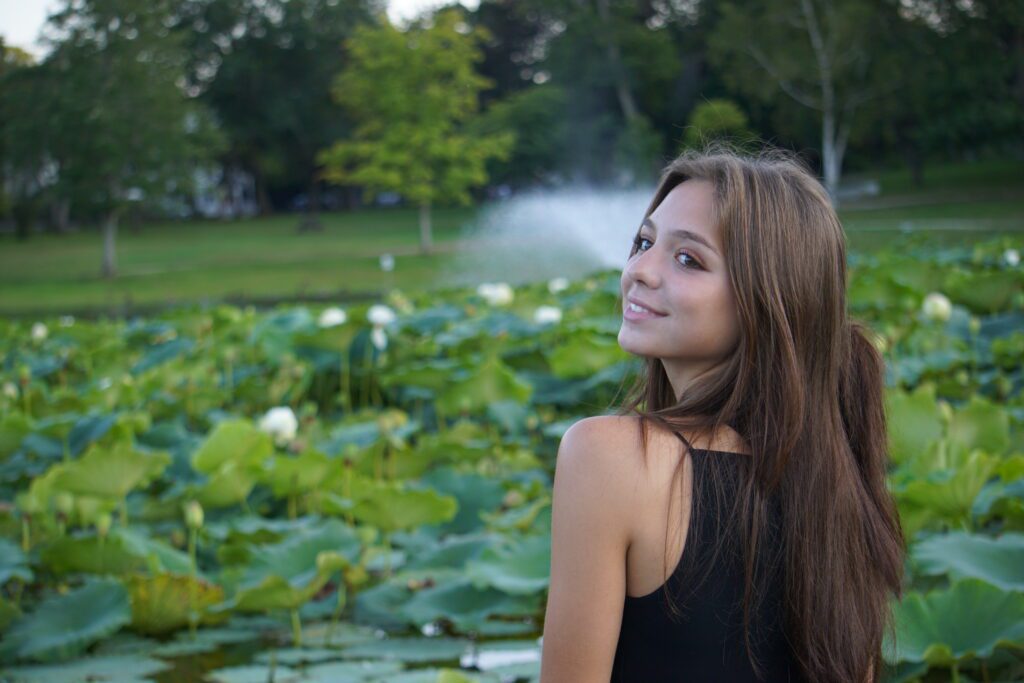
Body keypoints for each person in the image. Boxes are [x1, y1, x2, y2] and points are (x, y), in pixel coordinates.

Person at [539, 147, 905, 683]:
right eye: (643, 242)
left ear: (767, 299)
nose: (639, 270)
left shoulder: (608, 458)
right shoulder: (838, 482)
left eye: (688, 259)